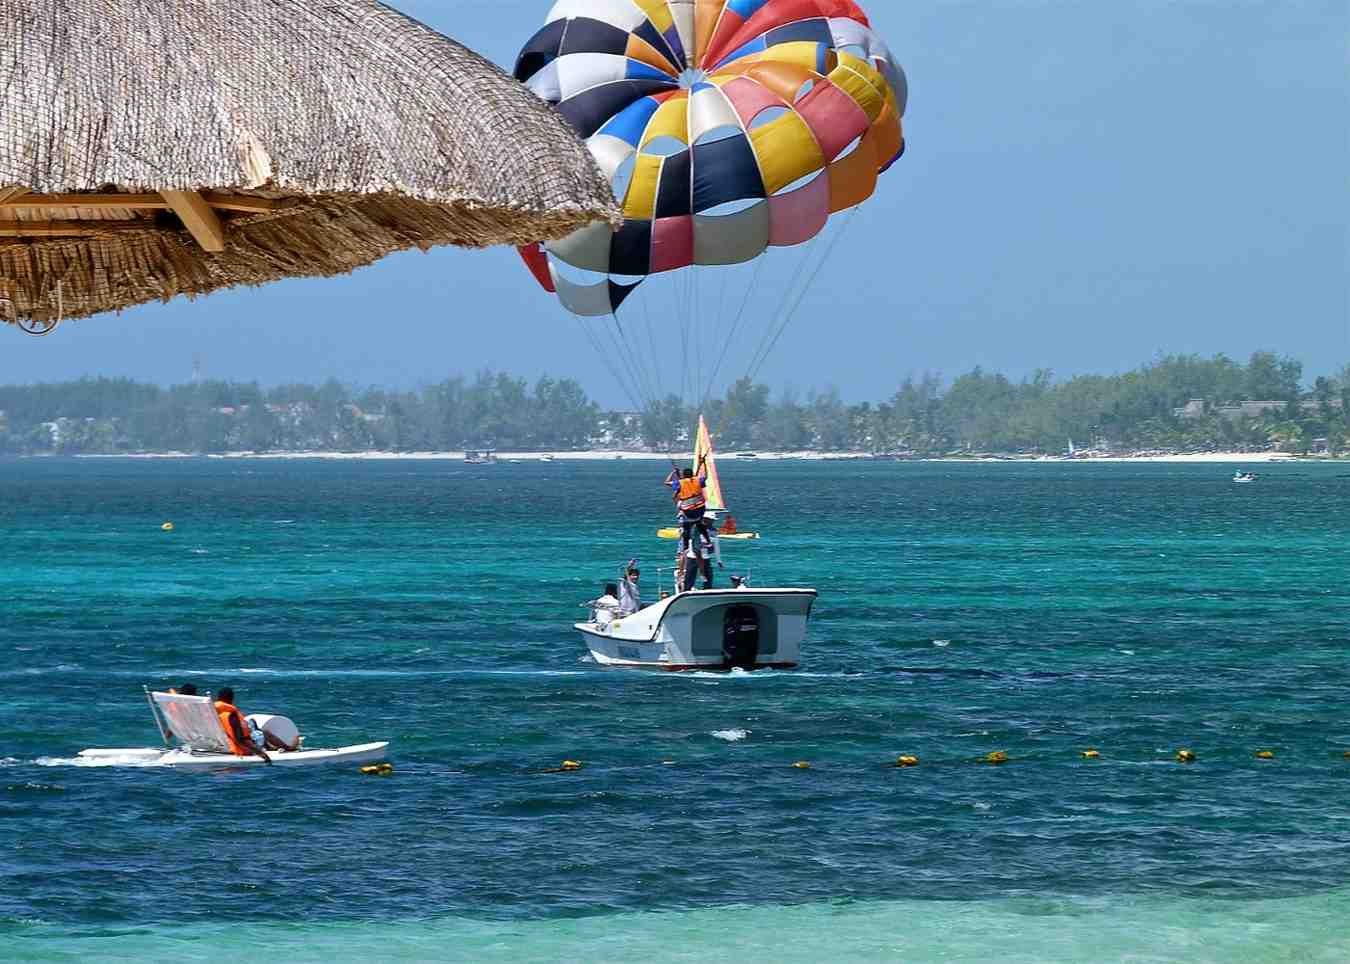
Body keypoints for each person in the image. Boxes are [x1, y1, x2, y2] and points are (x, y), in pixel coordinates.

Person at [665, 455, 708, 553]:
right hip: (699, 509)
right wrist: (703, 463)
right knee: (697, 523)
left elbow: (667, 482)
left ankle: (685, 547)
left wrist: (673, 472)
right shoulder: (696, 481)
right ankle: (703, 540)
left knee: (687, 528)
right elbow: (705, 476)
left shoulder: (680, 484)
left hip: (688, 512)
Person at [214, 686, 267, 759]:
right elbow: (240, 739)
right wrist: (260, 753)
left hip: (223, 744)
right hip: (241, 747)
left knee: (252, 723)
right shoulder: (231, 715)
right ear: (231, 698)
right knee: (265, 733)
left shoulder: (214, 711)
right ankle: (284, 748)